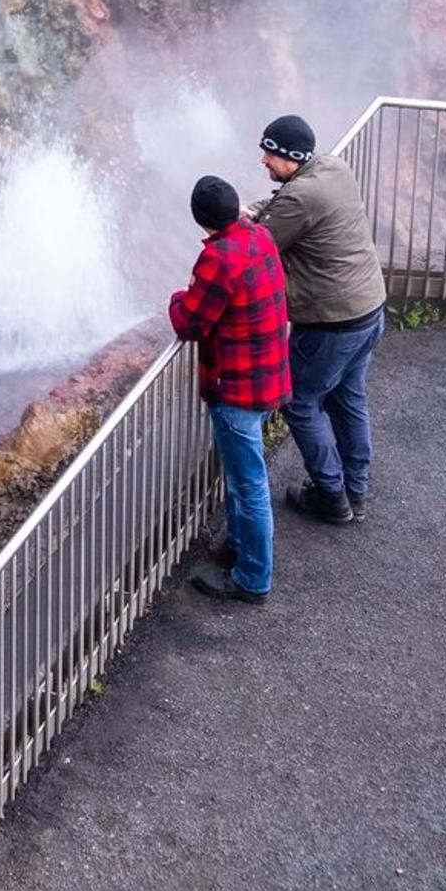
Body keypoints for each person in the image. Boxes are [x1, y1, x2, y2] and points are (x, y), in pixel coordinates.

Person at [253, 113, 385, 525]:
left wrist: (235, 218)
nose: (264, 160)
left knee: (300, 402)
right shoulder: (332, 168)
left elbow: (261, 242)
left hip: (332, 324)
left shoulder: (300, 199)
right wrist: (252, 208)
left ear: (291, 158)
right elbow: (281, 206)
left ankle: (330, 495)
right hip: (369, 310)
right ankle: (355, 491)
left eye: (270, 154)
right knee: (348, 400)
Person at [166, 172, 288, 604]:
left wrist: (177, 297)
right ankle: (238, 546)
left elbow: (190, 323)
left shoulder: (219, 258)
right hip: (267, 374)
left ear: (200, 220)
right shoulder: (258, 236)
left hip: (237, 386)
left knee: (249, 482)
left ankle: (253, 577)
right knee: (241, 478)